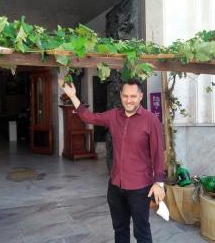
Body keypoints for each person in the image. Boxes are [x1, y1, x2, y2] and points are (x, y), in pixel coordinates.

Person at [58, 78, 165, 243]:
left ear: (141, 96)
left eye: (133, 96)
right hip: (115, 186)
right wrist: (73, 96)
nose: (129, 100)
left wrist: (159, 182)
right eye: (125, 96)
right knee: (120, 230)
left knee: (142, 233)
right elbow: (89, 117)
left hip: (139, 187)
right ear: (121, 96)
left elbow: (158, 152)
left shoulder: (151, 120)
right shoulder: (113, 116)